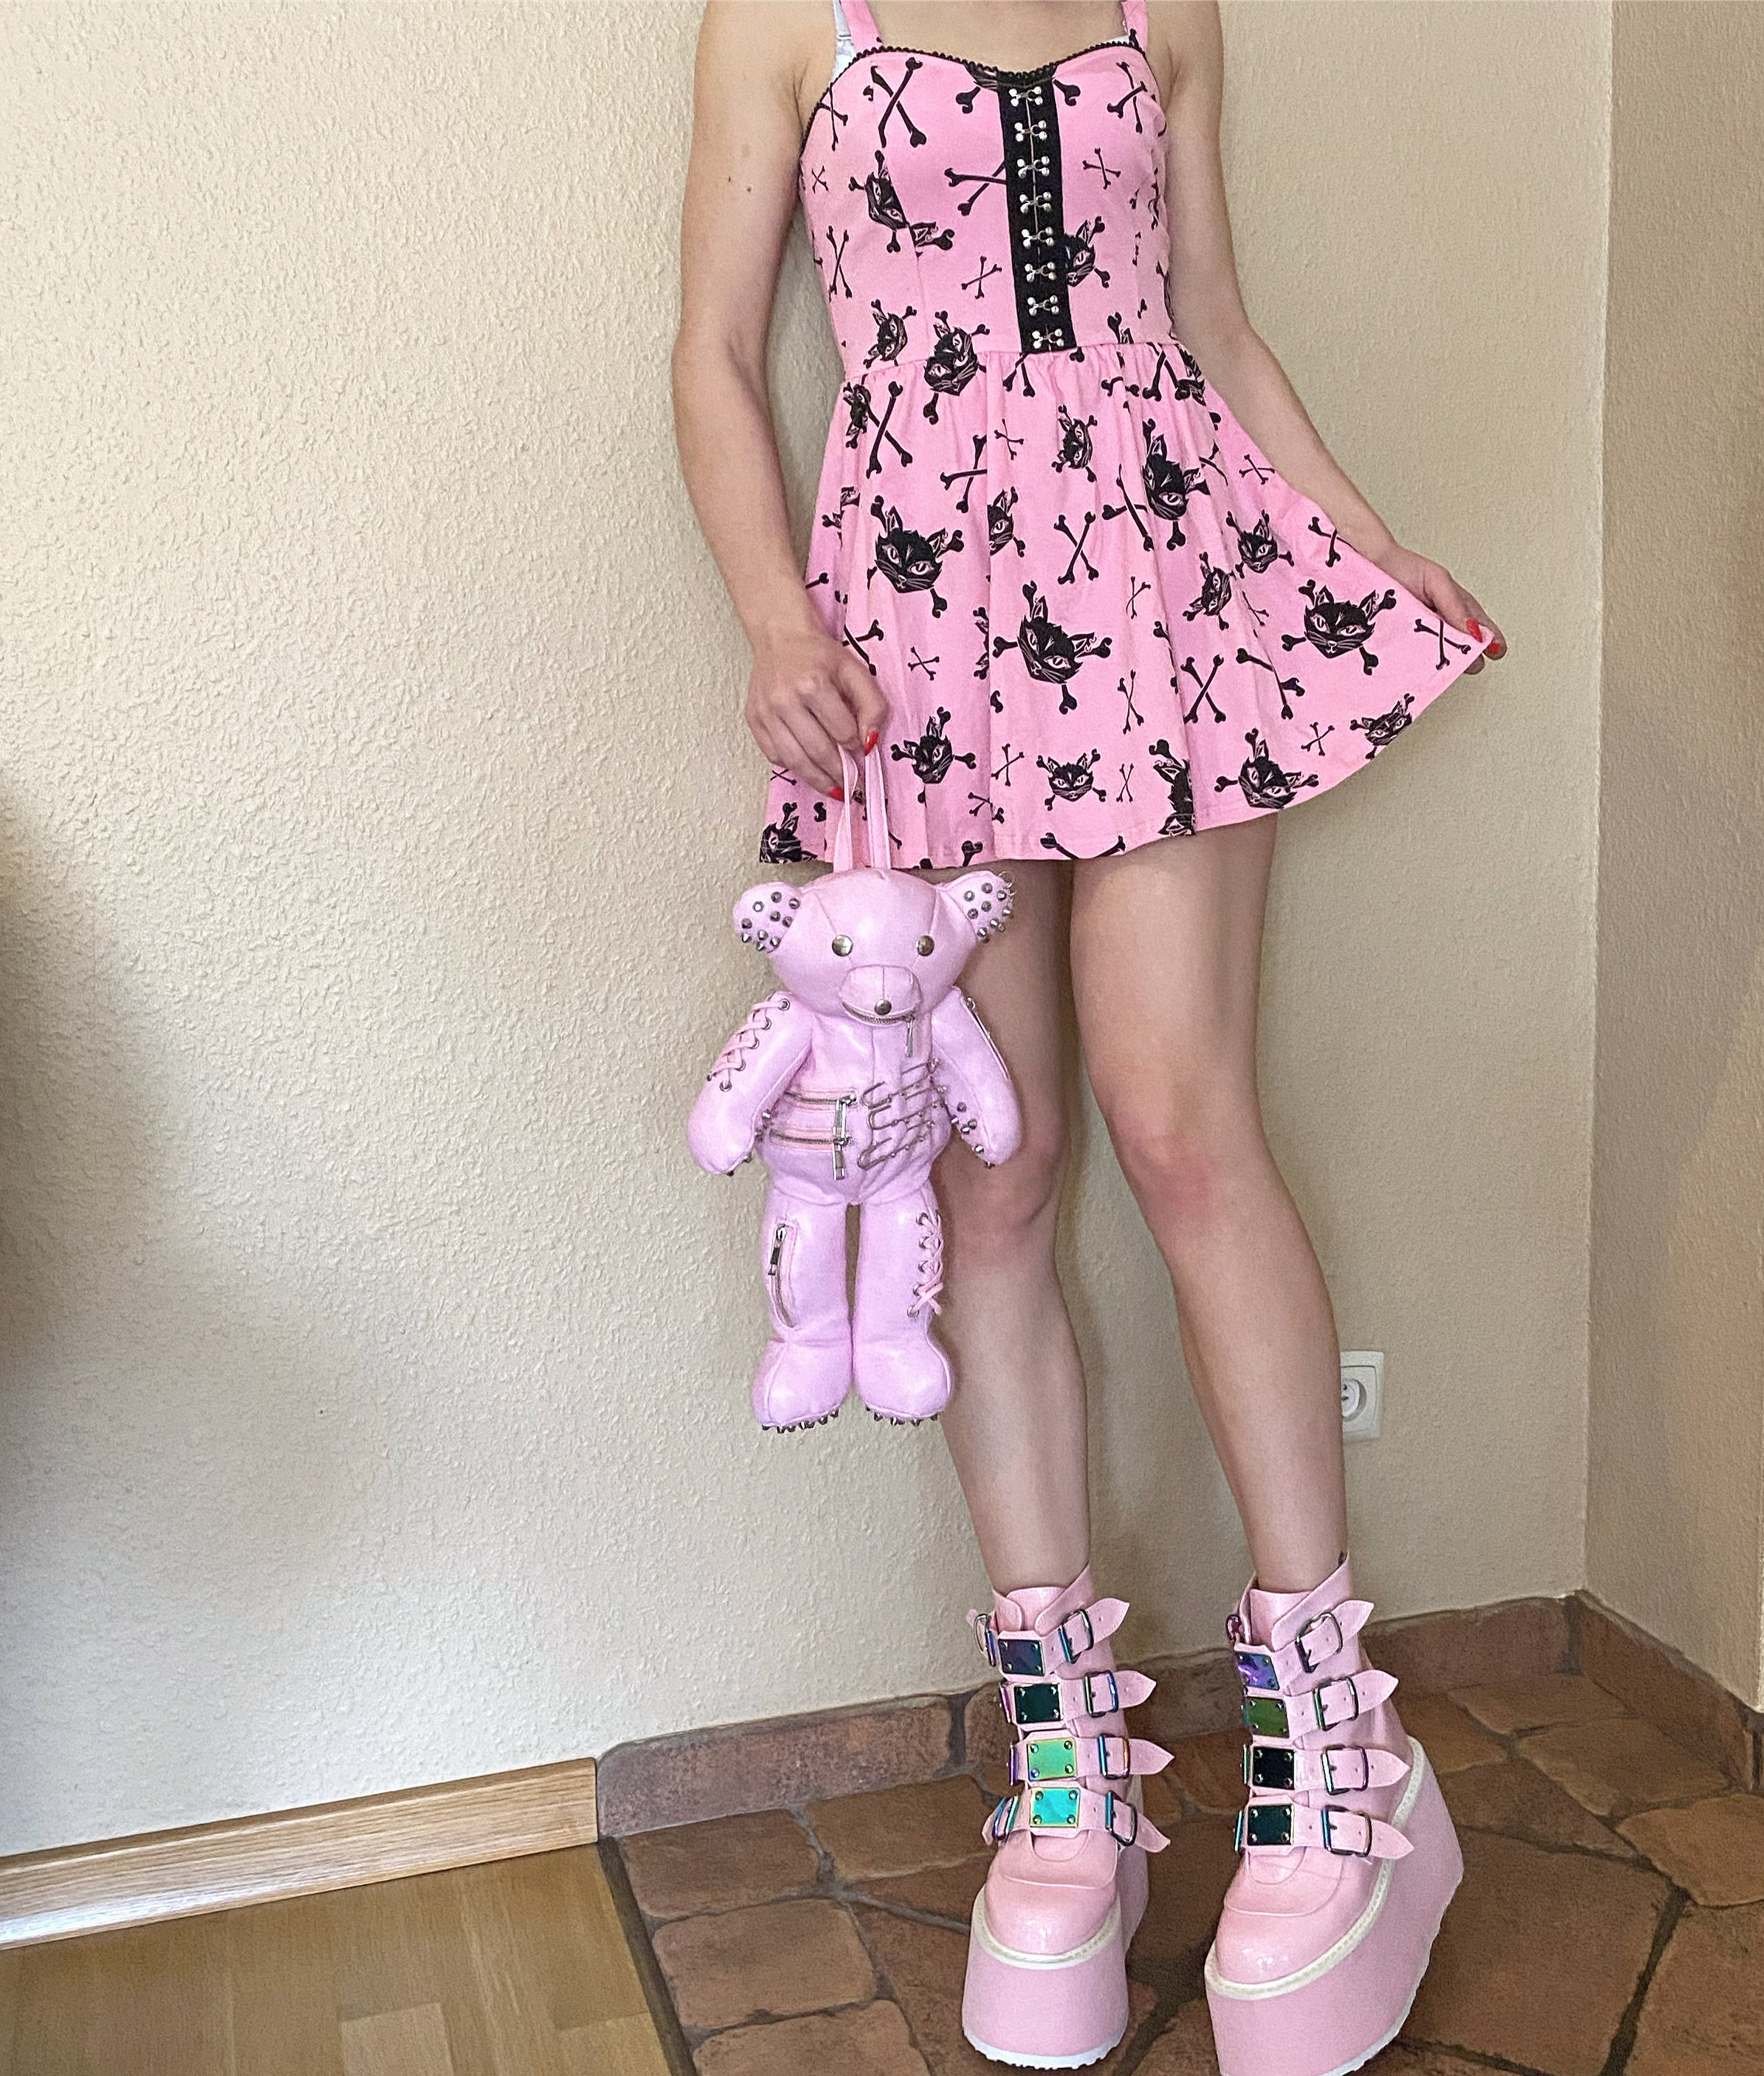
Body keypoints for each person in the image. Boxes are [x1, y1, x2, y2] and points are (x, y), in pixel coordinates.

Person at [674, 2, 1504, 2065]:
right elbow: (712, 350)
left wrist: (1361, 541)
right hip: (910, 627)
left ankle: (1343, 1750)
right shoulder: (783, 18)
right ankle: (1065, 1772)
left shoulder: (1165, 7)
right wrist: (774, 619)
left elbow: (1214, 322)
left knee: (1182, 1125)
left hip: (1172, 590)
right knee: (997, 1164)